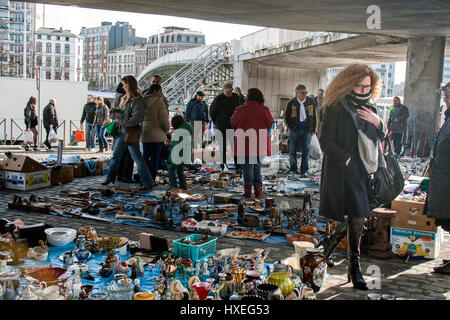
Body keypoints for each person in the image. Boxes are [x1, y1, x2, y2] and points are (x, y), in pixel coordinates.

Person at [318, 64, 384, 290]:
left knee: (358, 215)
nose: (363, 89)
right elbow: (324, 140)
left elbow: (379, 137)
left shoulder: (371, 106)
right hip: (342, 168)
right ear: (348, 83)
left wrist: (378, 122)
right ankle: (351, 266)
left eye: (367, 85)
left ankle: (337, 253)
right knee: (356, 214)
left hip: (365, 170)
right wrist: (347, 160)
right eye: (358, 85)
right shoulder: (336, 104)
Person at [102, 75, 155, 190]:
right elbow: (127, 114)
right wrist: (116, 110)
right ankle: (110, 178)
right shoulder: (127, 98)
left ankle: (147, 183)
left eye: (124, 84)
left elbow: (135, 119)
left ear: (129, 85)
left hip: (130, 132)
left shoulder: (138, 100)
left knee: (137, 158)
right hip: (123, 132)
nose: (123, 86)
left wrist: (119, 121)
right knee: (116, 156)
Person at [231, 88, 273, 198]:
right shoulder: (264, 110)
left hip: (245, 142)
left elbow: (233, 123)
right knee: (257, 167)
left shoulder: (240, 110)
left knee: (247, 168)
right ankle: (259, 192)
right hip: (260, 142)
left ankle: (248, 192)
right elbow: (269, 123)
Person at [426, 81, 450, 275]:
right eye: (445, 96)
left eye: (448, 96)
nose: (445, 99)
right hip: (443, 176)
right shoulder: (448, 116)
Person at [284, 84, 318, 177]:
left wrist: (314, 128)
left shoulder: (310, 101)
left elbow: (315, 115)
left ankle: (304, 170)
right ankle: (293, 169)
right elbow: (286, 116)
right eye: (302, 93)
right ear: (297, 93)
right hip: (295, 129)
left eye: (306, 92)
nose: (304, 94)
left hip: (308, 129)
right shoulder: (291, 102)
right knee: (292, 150)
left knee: (306, 150)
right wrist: (290, 127)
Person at [141, 83, 170, 182]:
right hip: (157, 136)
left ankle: (143, 179)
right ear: (155, 91)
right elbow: (164, 121)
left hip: (145, 134)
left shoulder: (142, 101)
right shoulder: (159, 103)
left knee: (145, 157)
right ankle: (151, 180)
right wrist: (166, 130)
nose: (161, 93)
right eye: (160, 91)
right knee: (154, 158)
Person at [210, 82, 241, 172]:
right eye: (227, 92)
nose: (229, 93)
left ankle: (238, 164)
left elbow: (239, 110)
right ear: (223, 90)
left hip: (233, 126)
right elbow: (212, 112)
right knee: (222, 147)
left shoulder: (235, 98)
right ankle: (222, 164)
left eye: (230, 91)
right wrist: (217, 122)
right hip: (221, 126)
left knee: (235, 146)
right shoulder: (218, 99)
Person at [168, 115, 193, 190]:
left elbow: (175, 147)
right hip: (185, 155)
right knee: (180, 170)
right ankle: (183, 186)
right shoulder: (187, 130)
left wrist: (170, 158)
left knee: (171, 170)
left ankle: (173, 186)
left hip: (178, 156)